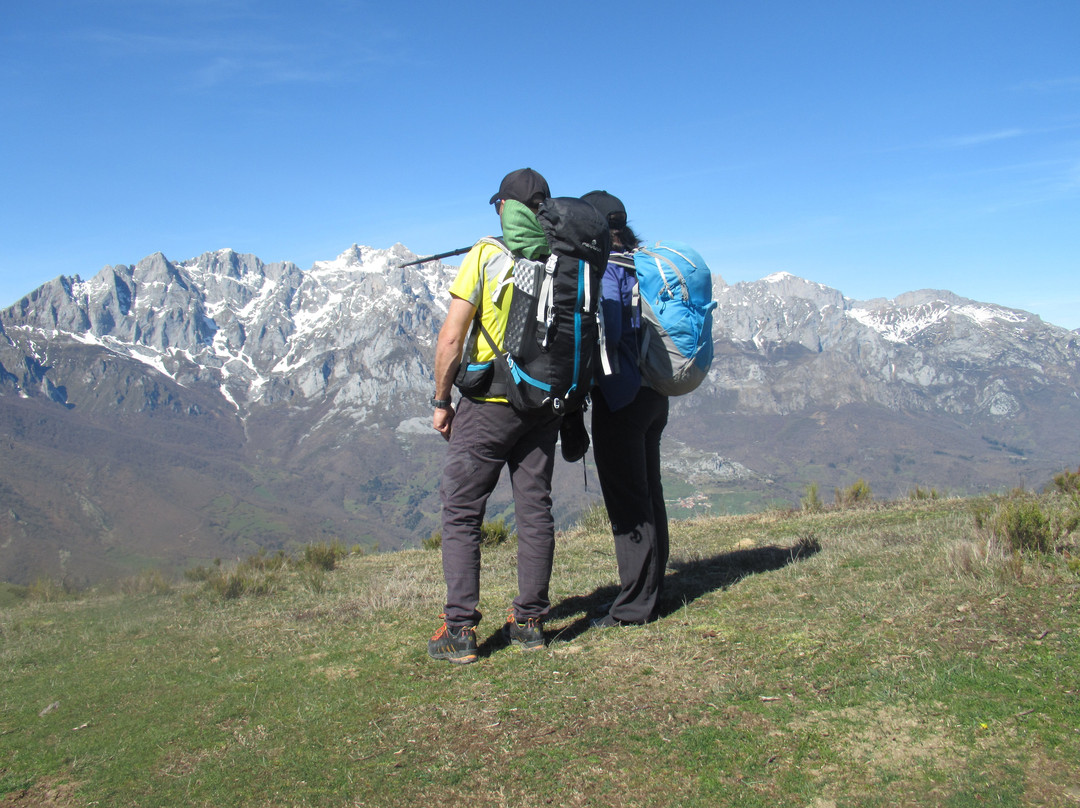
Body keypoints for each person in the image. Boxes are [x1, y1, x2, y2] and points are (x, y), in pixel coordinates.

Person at [428, 168, 560, 663]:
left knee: (461, 509)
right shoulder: (564, 256)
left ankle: (460, 630)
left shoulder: (487, 253)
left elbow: (451, 338)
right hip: (545, 405)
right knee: (534, 508)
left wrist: (442, 402)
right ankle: (529, 623)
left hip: (489, 406)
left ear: (506, 207)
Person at [581, 190, 670, 627]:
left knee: (629, 506)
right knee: (649, 493)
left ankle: (635, 608)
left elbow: (611, 332)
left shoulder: (607, 269)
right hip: (655, 393)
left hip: (622, 398)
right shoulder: (640, 264)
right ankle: (651, 593)